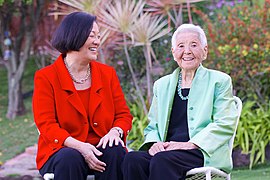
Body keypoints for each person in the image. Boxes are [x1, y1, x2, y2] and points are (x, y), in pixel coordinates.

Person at [122, 24, 238, 180]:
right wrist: (155, 143)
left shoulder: (219, 81)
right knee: (133, 159)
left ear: (205, 51)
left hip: (201, 151)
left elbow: (224, 123)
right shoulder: (161, 85)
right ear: (173, 52)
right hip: (167, 151)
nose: (187, 51)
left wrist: (190, 144)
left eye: (194, 45)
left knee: (162, 160)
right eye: (181, 46)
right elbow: (152, 126)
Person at [32, 12, 133, 180]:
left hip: (102, 149)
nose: (97, 41)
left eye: (98, 36)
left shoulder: (107, 74)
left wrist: (115, 132)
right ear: (75, 34)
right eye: (92, 35)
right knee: (70, 158)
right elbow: (46, 125)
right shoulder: (46, 77)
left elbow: (123, 115)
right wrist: (80, 147)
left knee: (115, 150)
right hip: (62, 151)